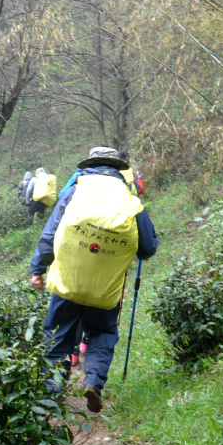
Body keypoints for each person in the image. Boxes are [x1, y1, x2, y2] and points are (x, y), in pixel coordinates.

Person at [29, 147, 158, 413]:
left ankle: (51, 398)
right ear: (117, 167)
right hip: (105, 289)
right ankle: (93, 383)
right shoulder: (129, 196)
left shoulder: (75, 190)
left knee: (57, 336)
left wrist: (37, 269)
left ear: (89, 165)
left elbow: (51, 232)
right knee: (102, 333)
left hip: (68, 283)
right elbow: (147, 248)